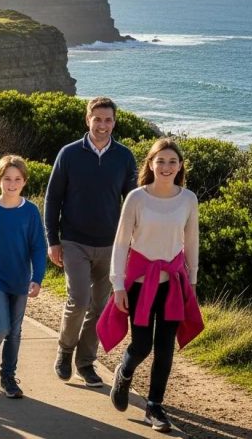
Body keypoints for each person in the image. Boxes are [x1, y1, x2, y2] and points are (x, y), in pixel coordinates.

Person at [99, 138, 202, 433]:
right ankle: (125, 371)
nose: (167, 167)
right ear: (150, 164)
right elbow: (120, 244)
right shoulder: (136, 198)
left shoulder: (188, 199)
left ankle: (155, 406)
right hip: (140, 283)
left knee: (165, 347)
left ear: (180, 166)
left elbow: (192, 242)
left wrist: (192, 282)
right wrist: (118, 285)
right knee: (142, 344)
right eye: (161, 161)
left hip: (173, 282)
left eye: (172, 161)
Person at [44, 96, 137, 387]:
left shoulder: (124, 156)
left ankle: (86, 363)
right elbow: (53, 198)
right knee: (79, 300)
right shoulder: (69, 154)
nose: (103, 125)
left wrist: (133, 240)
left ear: (114, 122)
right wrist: (53, 240)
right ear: (88, 120)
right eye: (97, 119)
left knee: (99, 306)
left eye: (108, 120)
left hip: (111, 245)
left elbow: (132, 202)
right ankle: (65, 350)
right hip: (74, 242)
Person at [0, 155, 47, 399]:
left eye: (17, 179)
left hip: (21, 280)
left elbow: (37, 246)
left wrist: (38, 277)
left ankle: (8, 378)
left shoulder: (31, 211)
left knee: (15, 331)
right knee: (1, 327)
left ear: (24, 182)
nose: (12, 184)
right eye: (7, 179)